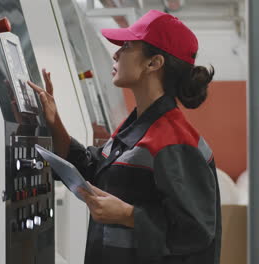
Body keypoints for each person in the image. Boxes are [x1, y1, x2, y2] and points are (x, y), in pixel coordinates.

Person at [28, 9, 221, 264]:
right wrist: (53, 120)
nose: (117, 53)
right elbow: (92, 167)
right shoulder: (134, 127)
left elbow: (196, 231)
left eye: (128, 46)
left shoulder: (174, 142)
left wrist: (128, 215)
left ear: (154, 63)